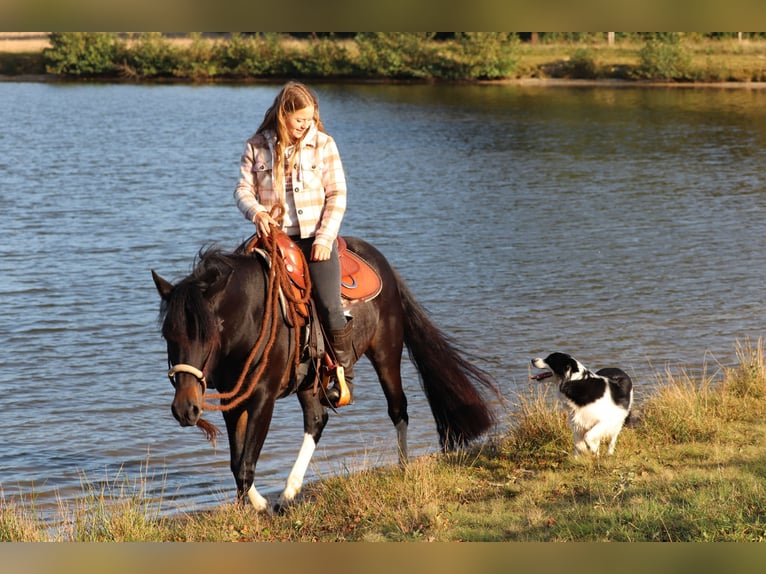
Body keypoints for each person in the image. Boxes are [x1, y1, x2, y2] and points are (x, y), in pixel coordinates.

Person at [234, 81, 354, 407]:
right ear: (283, 113)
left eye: (310, 119)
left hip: (316, 237)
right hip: (273, 239)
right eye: (300, 119)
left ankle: (342, 374)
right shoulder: (256, 146)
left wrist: (326, 238)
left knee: (329, 305)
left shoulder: (324, 145)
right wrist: (257, 212)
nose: (305, 125)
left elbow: (337, 195)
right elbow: (242, 190)